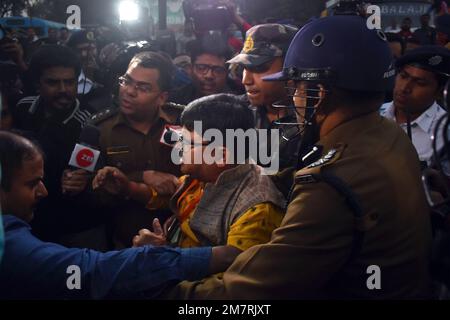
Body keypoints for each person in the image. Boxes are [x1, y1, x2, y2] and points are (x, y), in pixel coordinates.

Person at [167, 15, 432, 299]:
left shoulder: (330, 182)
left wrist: (170, 294)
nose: (292, 99)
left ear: (317, 93)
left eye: (293, 89)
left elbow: (257, 288)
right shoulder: (388, 134)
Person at [0, 131, 237, 299]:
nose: (43, 191)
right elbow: (90, 273)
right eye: (32, 184)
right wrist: (210, 257)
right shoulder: (8, 246)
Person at [92, 94, 285, 253]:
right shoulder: (207, 174)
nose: (177, 147)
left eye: (187, 142)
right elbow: (176, 192)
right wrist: (129, 187)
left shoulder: (256, 211)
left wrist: (162, 259)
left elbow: (230, 283)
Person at [87, 51, 183, 248]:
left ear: (162, 97)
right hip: (124, 245)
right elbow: (88, 191)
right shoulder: (99, 129)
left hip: (182, 242)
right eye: (126, 81)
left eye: (142, 87)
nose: (129, 91)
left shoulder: (183, 122)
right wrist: (141, 176)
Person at [14, 45, 97, 243]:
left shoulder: (89, 123)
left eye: (69, 82)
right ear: (37, 84)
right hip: (25, 224)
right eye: (53, 82)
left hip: (71, 228)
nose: (63, 90)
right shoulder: (22, 108)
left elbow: (90, 170)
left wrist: (82, 179)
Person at [227, 23, 299, 172]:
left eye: (259, 68)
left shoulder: (314, 120)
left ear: (291, 67)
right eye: (244, 68)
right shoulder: (236, 111)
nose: (246, 80)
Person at [380, 46, 450, 168]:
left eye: (420, 83)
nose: (404, 88)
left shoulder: (445, 133)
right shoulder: (371, 114)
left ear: (440, 92)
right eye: (403, 76)